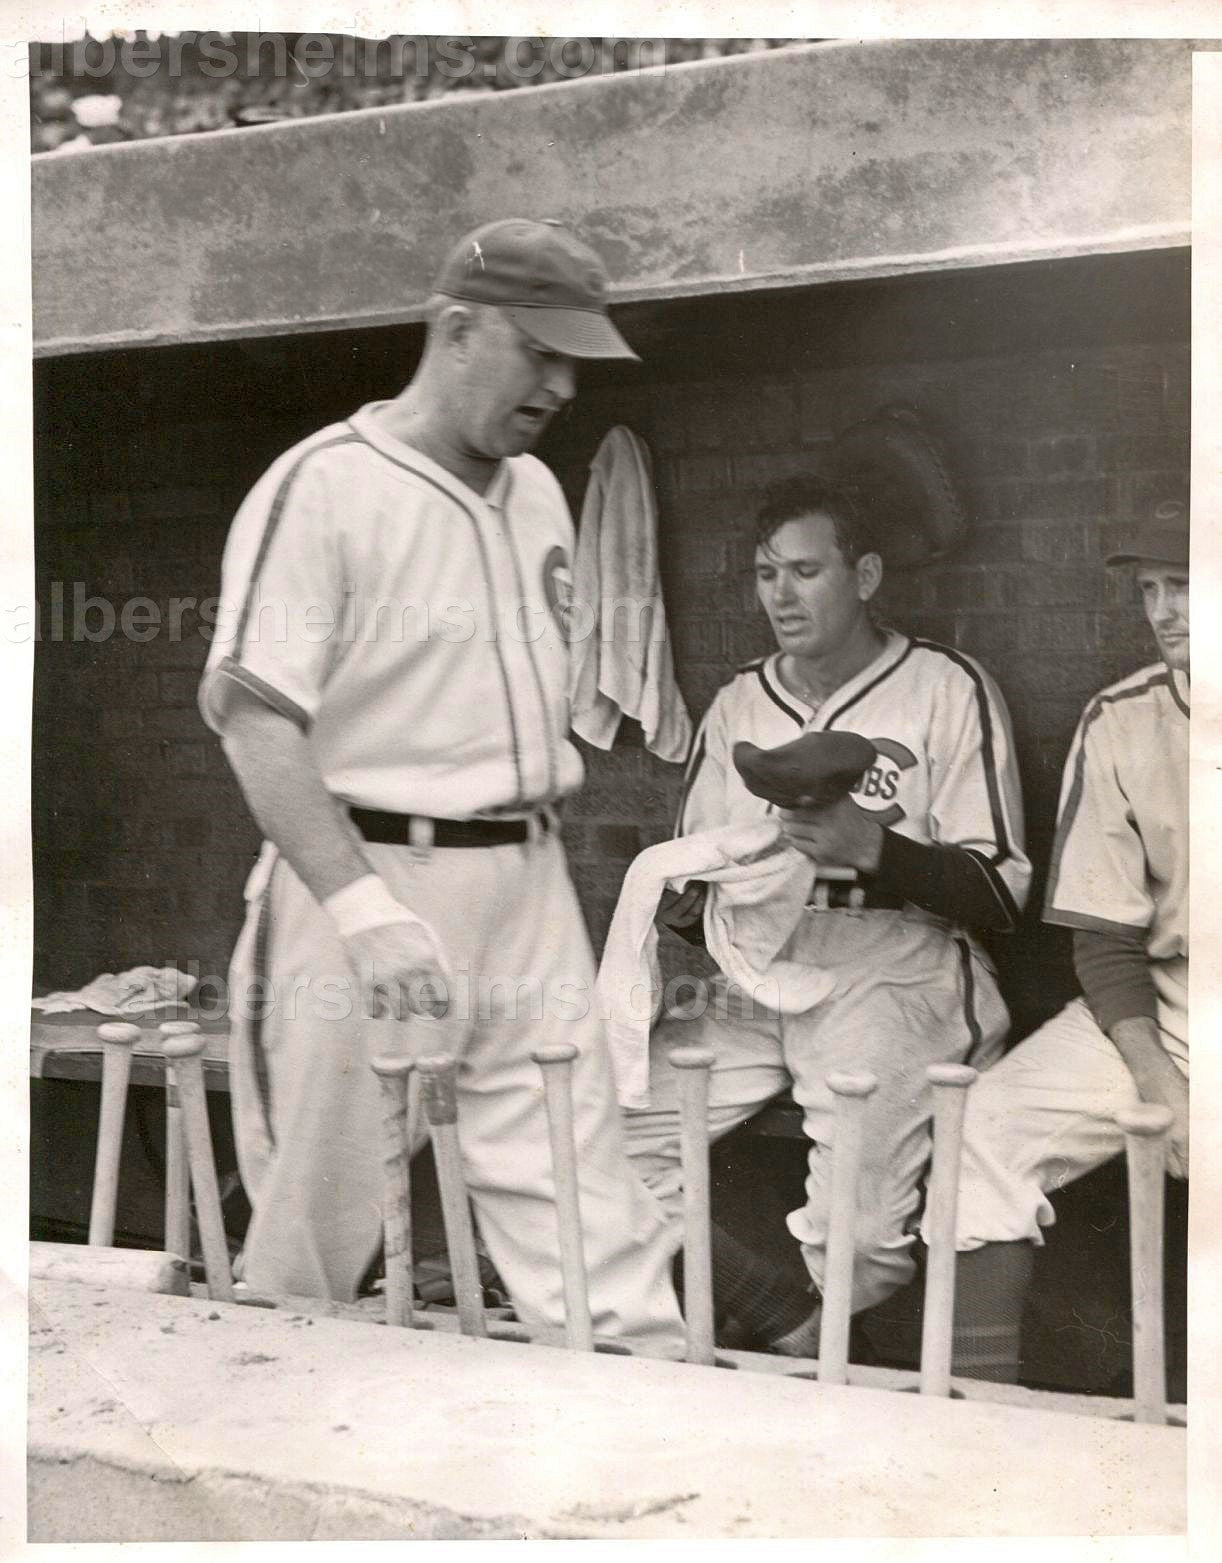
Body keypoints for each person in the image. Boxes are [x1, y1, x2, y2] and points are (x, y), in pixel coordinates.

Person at [198, 218, 684, 1354]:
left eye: (577, 360)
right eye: (538, 352)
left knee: (592, 1221)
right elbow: (256, 717)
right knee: (308, 1246)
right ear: (458, 330)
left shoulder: (540, 496)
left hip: (526, 879)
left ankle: (656, 1485)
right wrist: (361, 910)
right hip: (367, 883)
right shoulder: (322, 484)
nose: (561, 385)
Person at [624, 474, 1031, 1353]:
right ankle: (782, 1318)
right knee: (596, 1130)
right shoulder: (740, 701)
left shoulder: (943, 687)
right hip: (763, 967)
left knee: (861, 1243)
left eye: (805, 571)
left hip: (898, 963)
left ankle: (802, 1354)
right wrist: (708, 892)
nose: (780, 594)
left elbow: (1002, 892)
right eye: (767, 573)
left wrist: (874, 849)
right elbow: (687, 901)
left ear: (867, 574)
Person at [945, 497, 1189, 1382]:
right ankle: (982, 1426)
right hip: (1162, 1007)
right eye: (1153, 588)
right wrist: (1163, 1087)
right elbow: (1107, 941)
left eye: (1190, 586)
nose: (1165, 610)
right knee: (982, 1129)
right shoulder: (1122, 720)